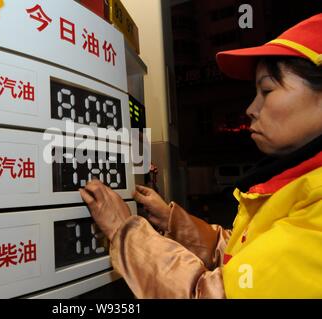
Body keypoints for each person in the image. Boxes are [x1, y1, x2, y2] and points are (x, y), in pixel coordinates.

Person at [79, 13, 322, 298]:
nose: (251, 109)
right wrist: (173, 222)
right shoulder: (295, 189)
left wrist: (125, 230)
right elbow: (243, 255)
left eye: (267, 90)